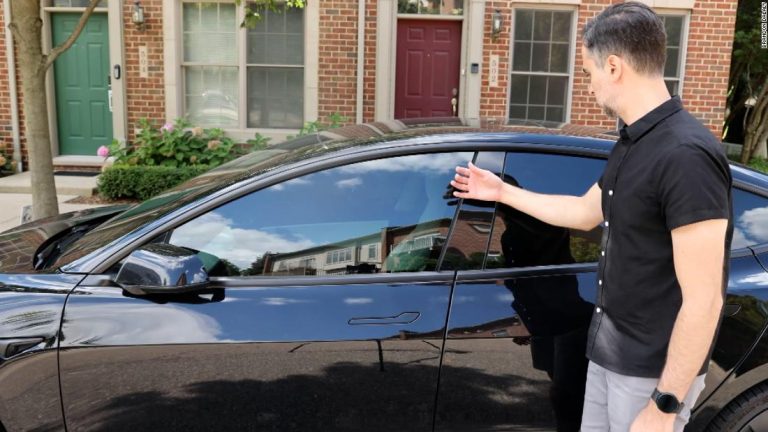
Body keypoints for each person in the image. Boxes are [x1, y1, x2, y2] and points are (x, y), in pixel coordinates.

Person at [450, 3, 733, 432]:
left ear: (615, 66)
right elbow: (583, 213)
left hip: (648, 374)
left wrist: (664, 404)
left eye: (588, 72)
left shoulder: (686, 156)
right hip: (609, 351)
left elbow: (705, 299)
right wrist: (502, 191)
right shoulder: (635, 141)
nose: (588, 85)